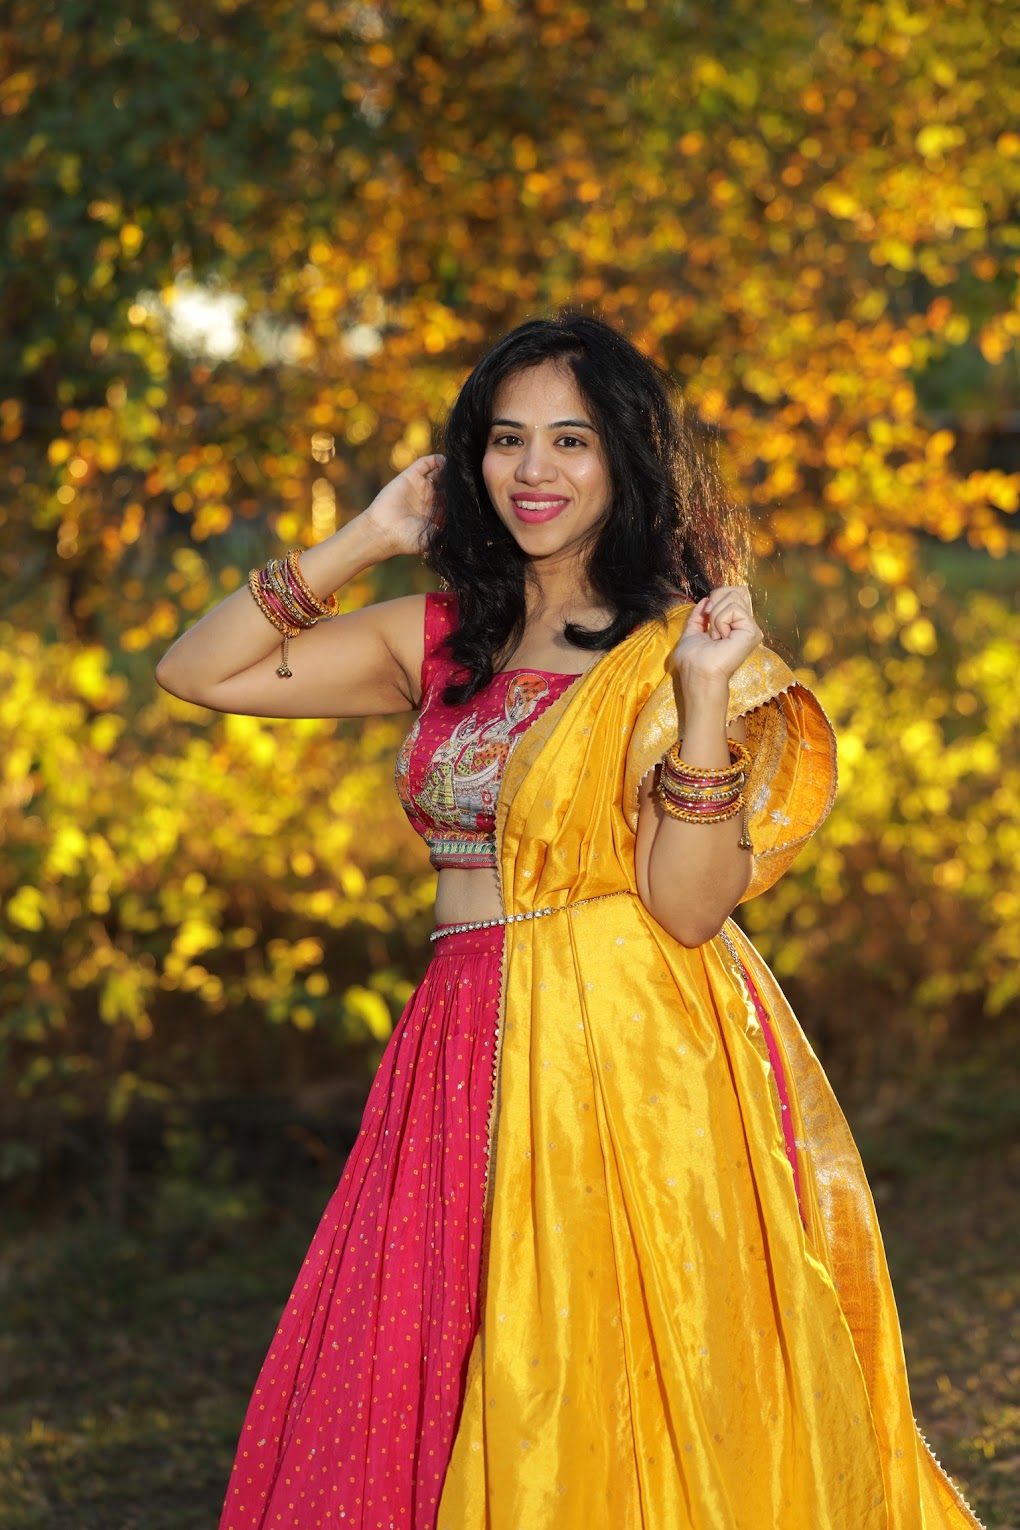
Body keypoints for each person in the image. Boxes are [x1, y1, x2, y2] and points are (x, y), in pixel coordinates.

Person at [156, 314, 983, 1530]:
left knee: (613, 1368)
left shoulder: (679, 652)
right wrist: (371, 536)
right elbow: (200, 671)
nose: (533, 472)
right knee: (429, 1348)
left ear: (626, 462)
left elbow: (690, 908)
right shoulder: (445, 643)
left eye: (571, 442)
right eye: (506, 442)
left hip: (627, 1058)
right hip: (461, 1039)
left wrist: (703, 702)